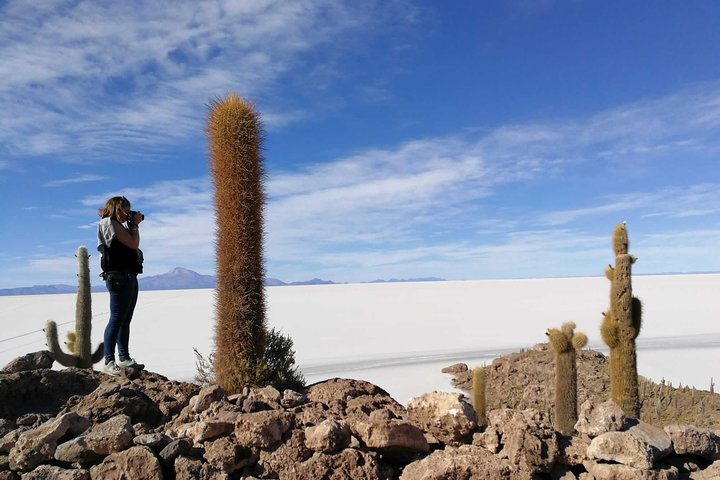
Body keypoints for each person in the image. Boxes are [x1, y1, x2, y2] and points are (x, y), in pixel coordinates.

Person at [97, 196, 145, 376]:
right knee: (117, 318)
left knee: (125, 319)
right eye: (127, 211)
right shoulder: (109, 223)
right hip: (118, 277)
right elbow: (133, 243)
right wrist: (135, 225)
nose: (128, 215)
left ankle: (124, 358)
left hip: (128, 275)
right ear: (118, 209)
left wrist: (132, 224)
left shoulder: (119, 225)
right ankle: (109, 361)